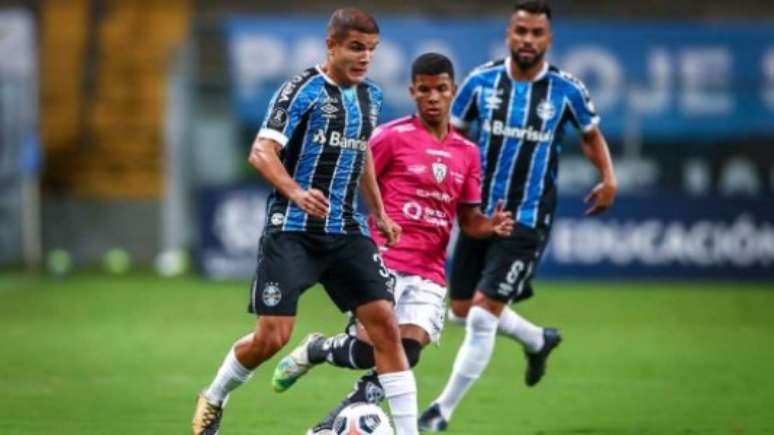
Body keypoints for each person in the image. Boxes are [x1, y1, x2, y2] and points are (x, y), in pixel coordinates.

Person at [191, 9, 421, 435]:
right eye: (355, 47)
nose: (364, 57)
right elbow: (261, 151)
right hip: (292, 229)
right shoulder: (302, 90)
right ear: (331, 45)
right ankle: (215, 396)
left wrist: (380, 212)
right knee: (272, 337)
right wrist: (296, 191)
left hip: (346, 231)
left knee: (387, 328)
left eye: (371, 50)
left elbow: (362, 154)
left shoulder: (370, 96)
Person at [270, 53, 515, 435]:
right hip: (383, 260)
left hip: (430, 272)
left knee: (409, 351)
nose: (433, 97)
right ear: (413, 92)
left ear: (453, 92)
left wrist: (491, 226)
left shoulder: (467, 153)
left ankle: (337, 419)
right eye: (425, 90)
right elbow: (354, 178)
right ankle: (317, 351)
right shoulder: (390, 137)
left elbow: (469, 221)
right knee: (371, 350)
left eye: (441, 89)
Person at [418, 0, 617, 431]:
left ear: (549, 39)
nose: (527, 40)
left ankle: (440, 412)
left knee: (481, 314)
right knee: (460, 307)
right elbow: (452, 136)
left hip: (527, 218)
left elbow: (590, 135)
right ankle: (536, 338)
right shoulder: (479, 82)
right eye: (521, 31)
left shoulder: (567, 89)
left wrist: (608, 177)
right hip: (479, 215)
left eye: (536, 33)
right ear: (509, 34)